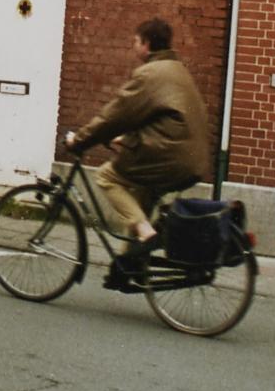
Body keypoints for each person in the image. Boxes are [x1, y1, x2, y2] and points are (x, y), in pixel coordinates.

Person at [64, 18, 209, 287]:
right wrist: (127, 139)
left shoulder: (149, 74)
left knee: (106, 176)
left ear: (146, 44)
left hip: (168, 157)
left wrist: (79, 141)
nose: (133, 46)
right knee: (139, 200)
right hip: (189, 158)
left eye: (135, 41)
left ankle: (145, 233)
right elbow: (160, 119)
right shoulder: (176, 69)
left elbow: (115, 115)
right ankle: (129, 267)